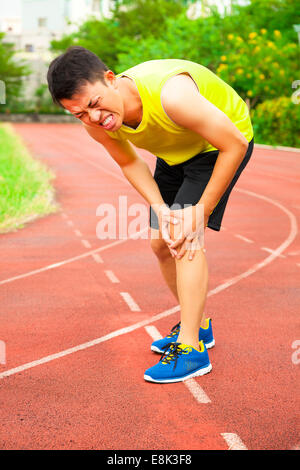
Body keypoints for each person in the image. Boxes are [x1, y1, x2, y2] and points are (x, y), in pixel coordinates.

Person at [47, 46, 254, 384]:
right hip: (173, 154)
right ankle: (199, 325)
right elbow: (130, 162)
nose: (93, 118)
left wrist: (200, 212)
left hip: (218, 144)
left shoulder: (172, 96)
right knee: (160, 243)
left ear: (110, 79)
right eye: (79, 114)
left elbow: (235, 144)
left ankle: (191, 349)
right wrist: (161, 209)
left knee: (186, 237)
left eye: (95, 104)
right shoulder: (94, 122)